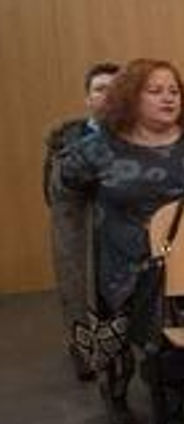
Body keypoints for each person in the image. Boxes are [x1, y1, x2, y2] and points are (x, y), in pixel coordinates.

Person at [54, 59, 184, 424]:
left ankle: (170, 401)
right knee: (117, 335)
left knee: (175, 331)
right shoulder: (97, 149)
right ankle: (116, 394)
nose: (167, 98)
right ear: (129, 97)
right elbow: (65, 191)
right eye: (155, 91)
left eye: (173, 91)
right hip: (124, 261)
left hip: (183, 258)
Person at [45, 62, 119, 380]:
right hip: (81, 233)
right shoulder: (66, 142)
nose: (108, 95)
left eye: (115, 88)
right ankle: (86, 356)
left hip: (122, 234)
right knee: (81, 297)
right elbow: (53, 192)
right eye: (100, 89)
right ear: (88, 98)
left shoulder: (140, 137)